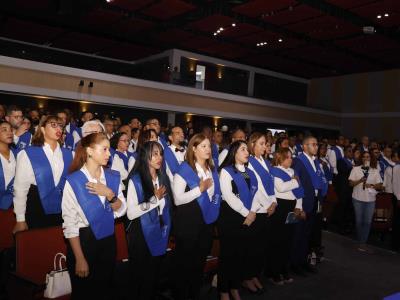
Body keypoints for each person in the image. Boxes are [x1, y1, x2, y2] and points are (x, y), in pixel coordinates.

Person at [62, 132, 126, 300]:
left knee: (104, 290)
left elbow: (122, 209)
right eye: (104, 149)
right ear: (89, 151)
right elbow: (70, 223)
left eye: (109, 149)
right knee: (84, 293)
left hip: (108, 240)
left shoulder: (112, 176)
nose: (109, 153)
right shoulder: (74, 180)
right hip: (84, 242)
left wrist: (109, 194)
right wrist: (80, 258)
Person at [172, 133, 221, 300]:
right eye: (204, 146)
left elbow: (215, 195)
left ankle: (193, 294)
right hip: (188, 224)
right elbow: (178, 200)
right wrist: (199, 190)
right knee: (184, 265)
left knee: (198, 264)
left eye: (209, 146)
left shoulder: (212, 170)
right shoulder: (184, 169)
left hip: (206, 223)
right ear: (194, 149)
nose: (208, 149)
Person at [218, 140, 264, 300]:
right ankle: (223, 290)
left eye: (247, 149)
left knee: (240, 255)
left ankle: (235, 287)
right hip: (230, 218)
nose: (247, 152)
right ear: (234, 153)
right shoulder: (226, 171)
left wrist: (252, 212)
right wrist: (248, 213)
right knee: (228, 256)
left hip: (247, 218)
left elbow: (256, 194)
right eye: (243, 149)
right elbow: (229, 197)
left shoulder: (249, 172)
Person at [126, 141, 172, 300]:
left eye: (160, 153)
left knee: (153, 275)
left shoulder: (163, 177)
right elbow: (131, 213)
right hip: (141, 232)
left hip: (160, 229)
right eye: (154, 154)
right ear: (145, 156)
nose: (159, 157)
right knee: (140, 275)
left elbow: (167, 207)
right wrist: (154, 200)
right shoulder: (135, 180)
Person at [13, 115, 73, 232]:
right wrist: (20, 219)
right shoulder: (28, 153)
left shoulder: (69, 154)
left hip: (63, 209)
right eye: (53, 125)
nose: (58, 129)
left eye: (61, 126)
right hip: (36, 205)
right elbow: (20, 188)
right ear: (42, 129)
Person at [291, 136, 328, 274]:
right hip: (303, 202)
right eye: (313, 144)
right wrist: (298, 206)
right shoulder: (298, 162)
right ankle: (294, 264)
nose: (316, 147)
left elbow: (319, 180)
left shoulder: (316, 162)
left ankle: (303, 261)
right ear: (305, 146)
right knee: (298, 235)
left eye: (317, 144)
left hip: (314, 201)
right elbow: (296, 183)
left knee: (307, 235)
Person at [269, 148, 305, 285]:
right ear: (280, 158)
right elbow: (281, 188)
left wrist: (298, 207)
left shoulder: (293, 172)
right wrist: (295, 182)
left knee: (288, 240)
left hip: (292, 207)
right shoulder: (274, 170)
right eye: (288, 157)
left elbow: (299, 192)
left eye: (291, 157)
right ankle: (274, 272)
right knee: (277, 241)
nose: (291, 159)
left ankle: (284, 270)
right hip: (280, 208)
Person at [247, 132, 276, 292]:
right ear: (253, 145)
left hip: (268, 209)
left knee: (261, 246)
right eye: (262, 143)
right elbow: (254, 189)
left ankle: (255, 275)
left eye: (265, 143)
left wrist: (274, 203)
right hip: (257, 209)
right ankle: (247, 277)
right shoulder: (249, 162)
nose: (265, 146)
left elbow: (271, 185)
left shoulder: (265, 162)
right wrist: (266, 205)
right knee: (253, 246)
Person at [349, 151, 383, 252]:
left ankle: (362, 243)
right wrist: (360, 180)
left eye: (368, 157)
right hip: (357, 199)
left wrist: (371, 185)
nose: (366, 159)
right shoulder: (355, 169)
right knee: (359, 222)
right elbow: (350, 183)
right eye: (364, 157)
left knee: (367, 222)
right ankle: (360, 240)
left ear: (371, 158)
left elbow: (380, 186)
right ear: (361, 158)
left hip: (370, 200)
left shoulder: (374, 171)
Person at [334, 146, 355, 233]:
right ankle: (340, 227)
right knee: (342, 208)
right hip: (343, 189)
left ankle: (346, 226)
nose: (351, 153)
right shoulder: (341, 161)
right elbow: (344, 171)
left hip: (350, 189)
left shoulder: (353, 162)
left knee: (348, 209)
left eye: (351, 151)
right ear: (345, 153)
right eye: (349, 151)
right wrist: (354, 169)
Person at [0, 120, 16, 210]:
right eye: (4, 130)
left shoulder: (18, 153)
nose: (9, 133)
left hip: (16, 203)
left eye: (10, 130)